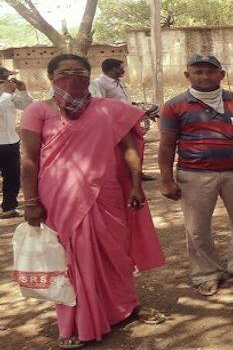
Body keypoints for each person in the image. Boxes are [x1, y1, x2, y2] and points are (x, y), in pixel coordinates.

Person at [20, 54, 165, 349]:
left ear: (90, 76)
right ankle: (73, 323)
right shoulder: (38, 111)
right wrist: (30, 201)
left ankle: (125, 307)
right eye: (64, 72)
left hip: (107, 192)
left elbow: (128, 149)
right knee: (71, 259)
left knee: (116, 253)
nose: (73, 76)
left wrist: (136, 185)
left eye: (80, 71)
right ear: (51, 77)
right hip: (60, 196)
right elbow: (29, 160)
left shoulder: (109, 108)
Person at [158, 54, 233, 297]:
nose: (204, 76)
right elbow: (166, 144)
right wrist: (166, 179)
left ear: (221, 75)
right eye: (198, 72)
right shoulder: (174, 105)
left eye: (210, 71)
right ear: (188, 75)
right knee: (197, 229)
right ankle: (205, 274)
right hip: (194, 175)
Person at [0, 67, 33, 218]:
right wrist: (7, 93)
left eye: (8, 78)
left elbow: (28, 106)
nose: (8, 81)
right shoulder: (6, 95)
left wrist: (23, 91)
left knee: (12, 176)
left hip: (11, 142)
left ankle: (9, 208)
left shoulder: (9, 96)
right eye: (4, 79)